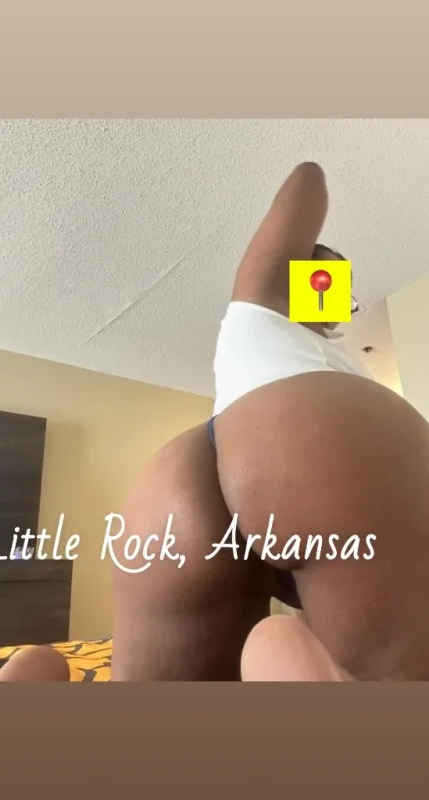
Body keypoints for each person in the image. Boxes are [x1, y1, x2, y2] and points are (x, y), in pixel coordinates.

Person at [111, 162, 429, 681]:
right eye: (327, 281)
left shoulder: (275, 332)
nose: (337, 300)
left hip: (183, 475)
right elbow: (308, 180)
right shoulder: (263, 303)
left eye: (342, 292)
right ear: (300, 274)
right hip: (309, 443)